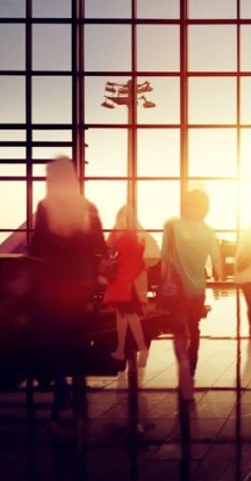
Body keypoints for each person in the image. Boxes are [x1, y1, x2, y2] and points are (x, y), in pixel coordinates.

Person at [30, 157, 105, 430]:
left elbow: (38, 248)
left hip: (53, 287)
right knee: (76, 342)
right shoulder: (88, 208)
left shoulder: (45, 207)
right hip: (80, 288)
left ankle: (62, 394)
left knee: (57, 343)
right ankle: (77, 400)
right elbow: (99, 247)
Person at [160, 189, 222, 401]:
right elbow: (217, 264)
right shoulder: (209, 232)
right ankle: (192, 365)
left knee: (178, 329)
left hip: (176, 289)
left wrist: (163, 282)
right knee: (194, 327)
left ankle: (183, 362)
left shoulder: (171, 227)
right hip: (198, 289)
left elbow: (164, 261)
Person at [105, 205, 159, 364]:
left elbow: (107, 248)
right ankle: (124, 348)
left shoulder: (118, 232)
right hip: (133, 278)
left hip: (122, 279)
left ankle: (137, 348)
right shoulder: (139, 233)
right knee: (126, 314)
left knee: (124, 315)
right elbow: (150, 254)